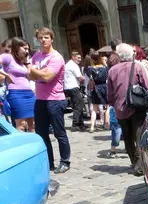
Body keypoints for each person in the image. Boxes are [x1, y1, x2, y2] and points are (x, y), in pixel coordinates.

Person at [107, 43, 148, 176]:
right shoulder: (138, 67)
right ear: (132, 54)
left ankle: (135, 163)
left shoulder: (112, 70)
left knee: (128, 138)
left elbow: (110, 94)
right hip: (136, 107)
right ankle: (140, 166)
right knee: (139, 136)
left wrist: (114, 104)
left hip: (120, 109)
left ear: (119, 55)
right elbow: (147, 87)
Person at [27, 27, 71, 173]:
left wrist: (35, 72)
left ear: (51, 39)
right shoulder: (36, 56)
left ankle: (65, 161)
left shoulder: (56, 57)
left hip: (55, 99)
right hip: (40, 99)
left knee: (59, 133)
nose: (43, 40)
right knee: (41, 133)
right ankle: (49, 162)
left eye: (46, 37)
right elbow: (30, 76)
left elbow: (47, 77)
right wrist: (38, 72)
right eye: (40, 37)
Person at [0, 37, 35, 132]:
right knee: (22, 125)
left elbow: (31, 77)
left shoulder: (24, 61)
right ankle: (22, 145)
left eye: (28, 49)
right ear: (17, 48)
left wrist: (27, 62)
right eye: (25, 48)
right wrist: (6, 75)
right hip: (16, 94)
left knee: (33, 124)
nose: (27, 51)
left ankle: (33, 145)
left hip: (29, 94)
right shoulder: (8, 57)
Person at [84, 51, 109, 132]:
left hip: (96, 88)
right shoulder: (105, 68)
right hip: (104, 87)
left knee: (94, 109)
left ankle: (92, 127)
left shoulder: (90, 69)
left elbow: (89, 76)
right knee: (107, 107)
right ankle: (107, 124)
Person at [63, 51, 86, 131]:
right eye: (78, 58)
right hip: (73, 87)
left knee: (77, 105)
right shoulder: (74, 65)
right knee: (79, 105)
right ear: (73, 57)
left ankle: (81, 123)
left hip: (67, 87)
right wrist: (85, 78)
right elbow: (80, 77)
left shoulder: (67, 64)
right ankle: (75, 124)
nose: (80, 60)